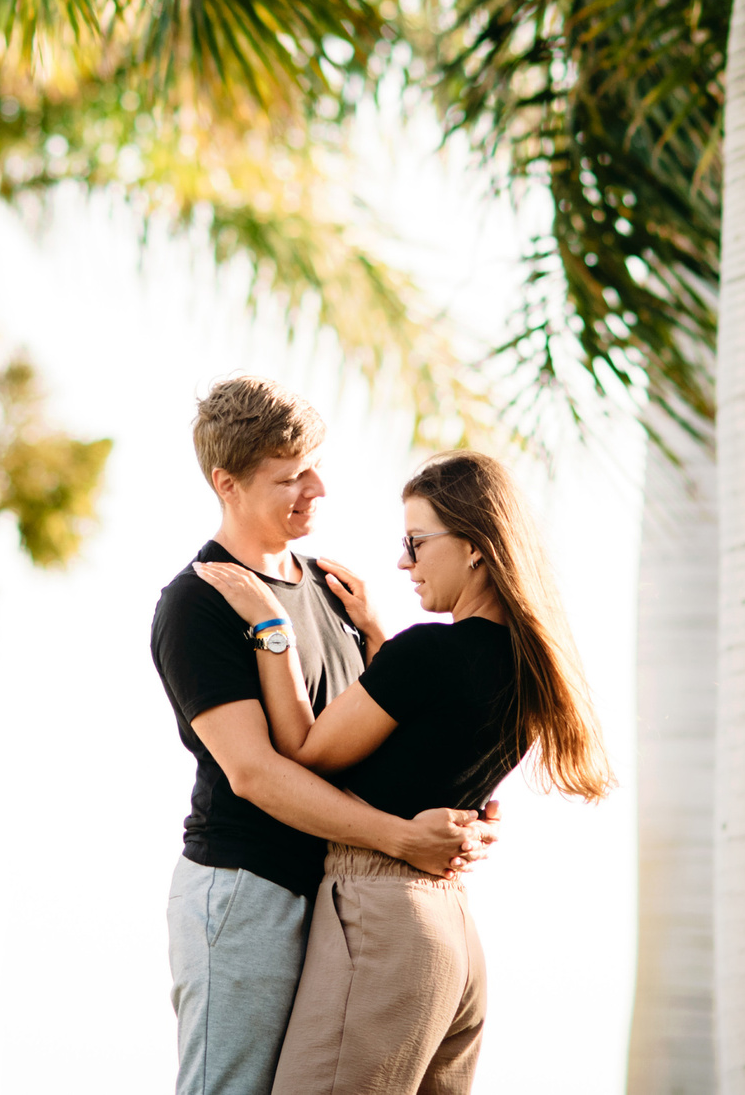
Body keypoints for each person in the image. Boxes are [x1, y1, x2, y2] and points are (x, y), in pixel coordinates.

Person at [197, 448, 613, 1095]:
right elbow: (425, 735)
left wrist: (271, 628)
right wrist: (374, 637)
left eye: (416, 542)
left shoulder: (428, 653)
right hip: (452, 941)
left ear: (475, 546)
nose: (403, 561)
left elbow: (305, 749)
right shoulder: (533, 674)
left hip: (381, 921)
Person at [151, 377, 500, 1095]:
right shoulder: (198, 602)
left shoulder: (329, 588)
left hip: (334, 893)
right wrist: (399, 837)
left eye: (313, 465)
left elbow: (376, 731)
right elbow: (258, 773)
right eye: (290, 476)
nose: (317, 487)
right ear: (228, 484)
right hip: (246, 889)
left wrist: (464, 812)